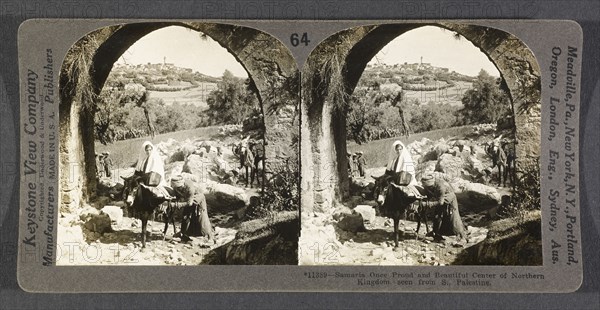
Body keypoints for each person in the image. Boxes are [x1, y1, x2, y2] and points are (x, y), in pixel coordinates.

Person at [420, 174, 469, 243]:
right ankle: (436, 233)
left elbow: (440, 202)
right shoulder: (428, 186)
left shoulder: (441, 186)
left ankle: (462, 236)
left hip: (449, 198)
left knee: (453, 218)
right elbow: (429, 195)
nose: (427, 188)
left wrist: (428, 204)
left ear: (431, 184)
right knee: (437, 216)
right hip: (439, 198)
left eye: (428, 186)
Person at [170, 175, 214, 242]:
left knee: (202, 217)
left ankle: (209, 237)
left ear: (182, 184)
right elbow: (177, 196)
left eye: (179, 187)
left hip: (198, 198)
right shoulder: (176, 188)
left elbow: (189, 203)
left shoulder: (190, 187)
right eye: (176, 187)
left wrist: (177, 205)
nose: (178, 189)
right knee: (185, 216)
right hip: (188, 199)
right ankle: (184, 234)